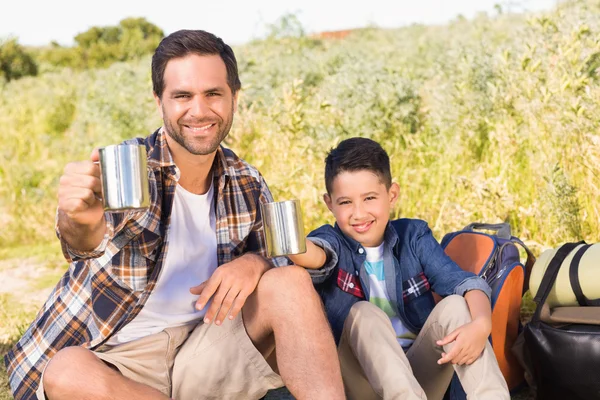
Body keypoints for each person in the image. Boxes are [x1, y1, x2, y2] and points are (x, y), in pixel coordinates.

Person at [4, 29, 345, 400]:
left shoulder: (247, 181)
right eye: (182, 96)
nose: (199, 110)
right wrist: (77, 220)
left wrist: (255, 264)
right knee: (67, 371)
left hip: (202, 352)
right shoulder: (129, 169)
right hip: (116, 362)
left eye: (213, 94)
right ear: (159, 101)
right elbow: (83, 242)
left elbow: (282, 271)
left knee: (291, 283)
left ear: (234, 98)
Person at [288, 137, 510, 400]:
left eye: (369, 198)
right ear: (329, 203)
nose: (358, 214)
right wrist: (289, 242)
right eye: (345, 202)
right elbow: (317, 255)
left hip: (419, 376)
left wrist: (482, 324)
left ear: (392, 195)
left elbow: (463, 282)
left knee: (456, 306)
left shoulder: (413, 236)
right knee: (362, 312)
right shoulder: (331, 240)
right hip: (358, 381)